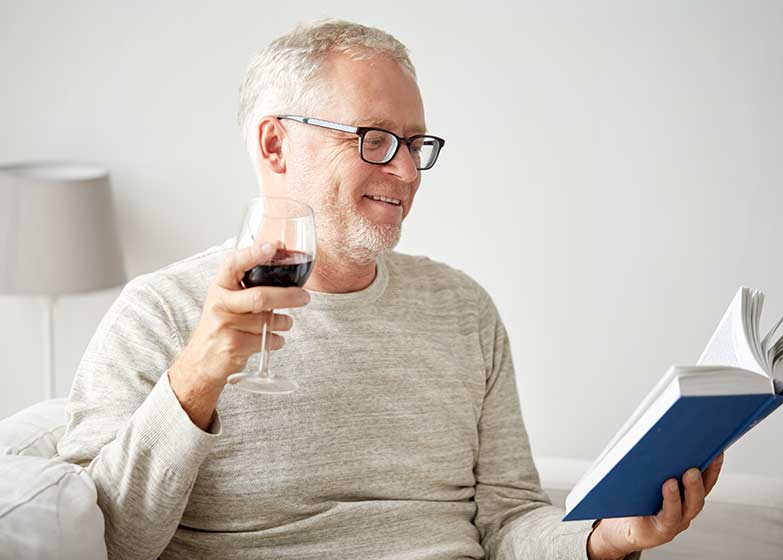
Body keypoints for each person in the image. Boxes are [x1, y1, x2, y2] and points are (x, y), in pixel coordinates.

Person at [58, 19, 723, 560]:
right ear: (274, 145)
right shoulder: (158, 315)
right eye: (375, 140)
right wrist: (196, 379)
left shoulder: (462, 310)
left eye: (414, 143)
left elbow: (510, 519)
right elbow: (111, 542)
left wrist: (609, 538)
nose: (406, 172)